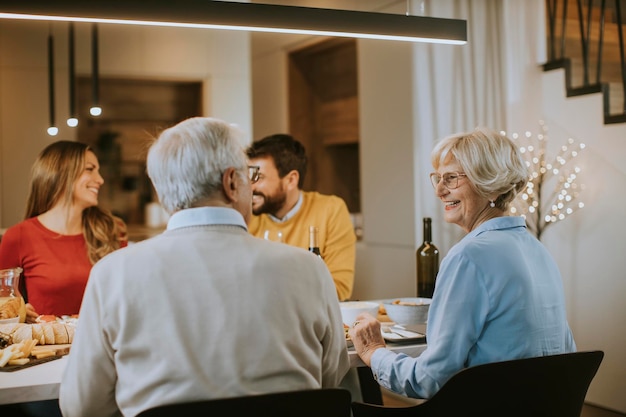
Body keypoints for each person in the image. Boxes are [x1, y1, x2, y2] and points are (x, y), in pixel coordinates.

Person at [59, 117, 350, 417]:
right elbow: (330, 376)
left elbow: (80, 406)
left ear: (161, 192)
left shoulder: (112, 274)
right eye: (248, 176)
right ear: (231, 183)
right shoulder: (310, 269)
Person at [349, 127, 576, 399]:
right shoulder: (538, 250)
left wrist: (374, 351)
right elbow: (566, 354)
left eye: (452, 178)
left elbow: (427, 380)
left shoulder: (468, 256)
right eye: (438, 179)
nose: (440, 191)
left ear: (490, 184)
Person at [0, 140, 127, 322]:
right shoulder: (18, 236)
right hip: (49, 348)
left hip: (106, 345)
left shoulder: (112, 230)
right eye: (90, 169)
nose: (100, 180)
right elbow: (4, 303)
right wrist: (19, 313)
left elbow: (125, 296)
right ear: (62, 173)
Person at [246, 134, 356, 301]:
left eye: (258, 178)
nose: (250, 187)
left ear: (291, 180)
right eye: (249, 177)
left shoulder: (330, 210)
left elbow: (339, 288)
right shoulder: (247, 216)